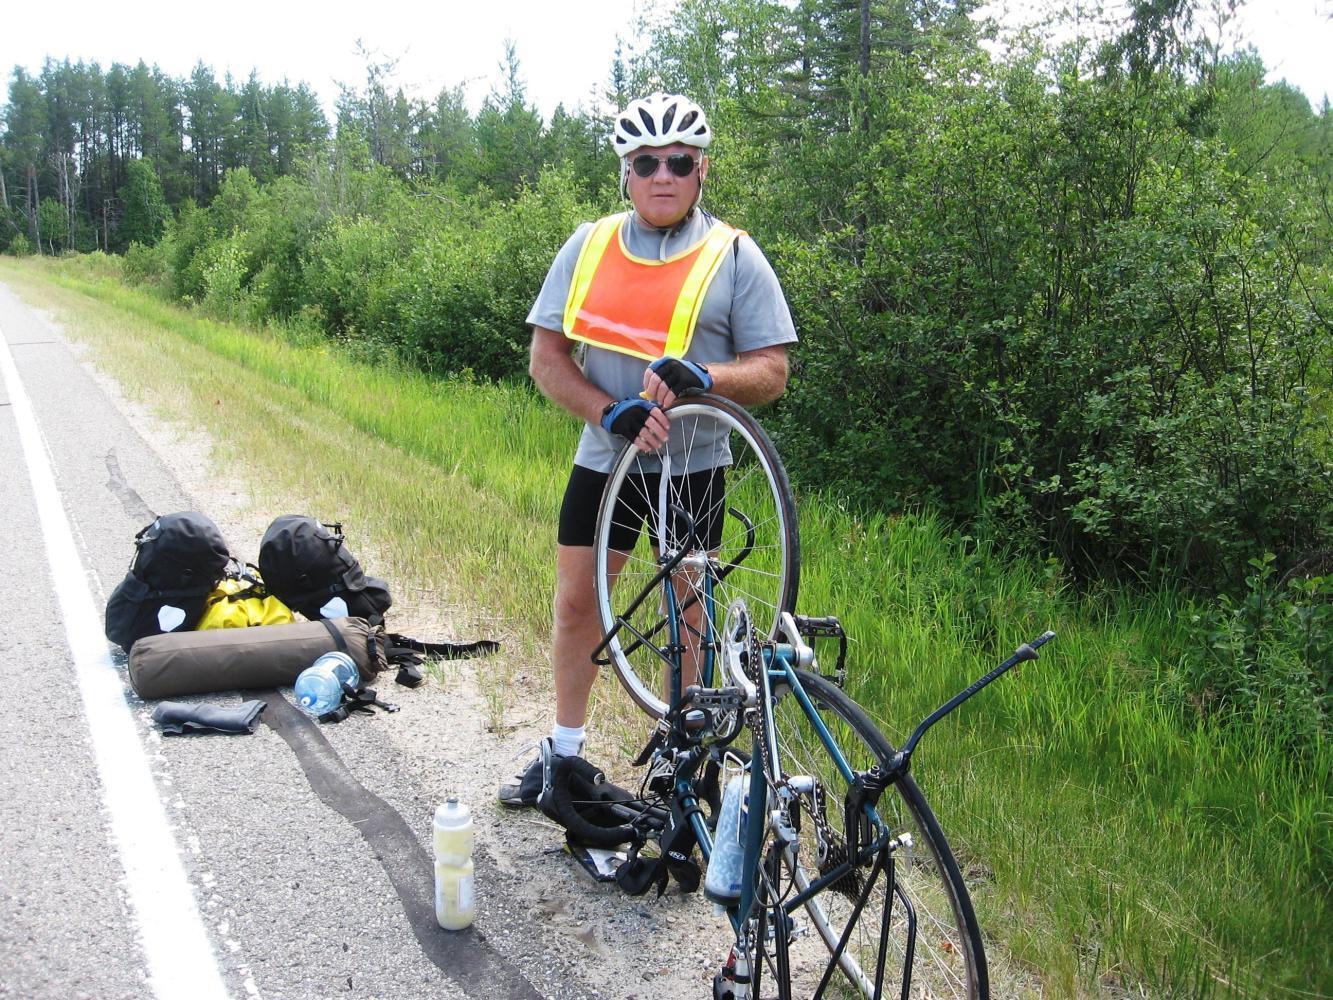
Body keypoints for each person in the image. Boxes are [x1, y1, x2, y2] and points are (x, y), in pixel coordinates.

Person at [499, 92, 797, 807]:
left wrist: (707, 378)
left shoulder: (735, 254)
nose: (663, 175)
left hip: (694, 465)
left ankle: (680, 763)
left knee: (686, 618)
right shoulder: (589, 244)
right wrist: (608, 412)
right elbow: (546, 359)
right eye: (646, 163)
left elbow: (772, 371)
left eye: (679, 162)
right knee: (578, 604)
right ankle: (563, 754)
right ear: (625, 173)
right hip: (607, 460)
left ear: (701, 170)